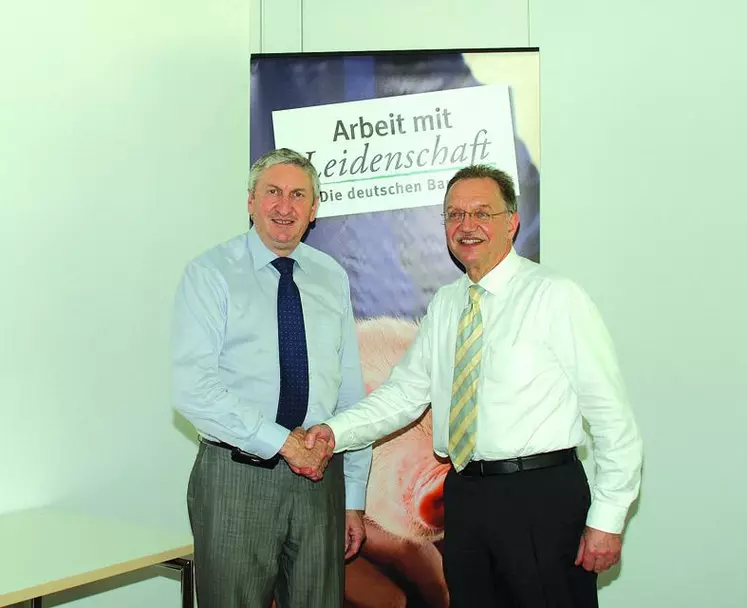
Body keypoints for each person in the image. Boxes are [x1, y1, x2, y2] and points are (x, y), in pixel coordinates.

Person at [303, 164, 643, 608]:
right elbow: (403, 395)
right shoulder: (446, 305)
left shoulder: (556, 297)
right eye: (455, 215)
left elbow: (612, 418)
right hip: (464, 495)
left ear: (512, 222)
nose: (467, 226)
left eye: (482, 213)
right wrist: (333, 433)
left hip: (540, 495)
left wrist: (608, 517)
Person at [171, 148, 372, 608]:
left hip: (320, 481)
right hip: (236, 480)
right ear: (250, 201)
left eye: (298, 194)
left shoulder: (331, 276)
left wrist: (354, 495)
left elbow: (349, 390)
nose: (285, 206)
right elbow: (193, 389)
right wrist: (284, 444)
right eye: (273, 193)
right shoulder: (210, 274)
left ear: (314, 208)